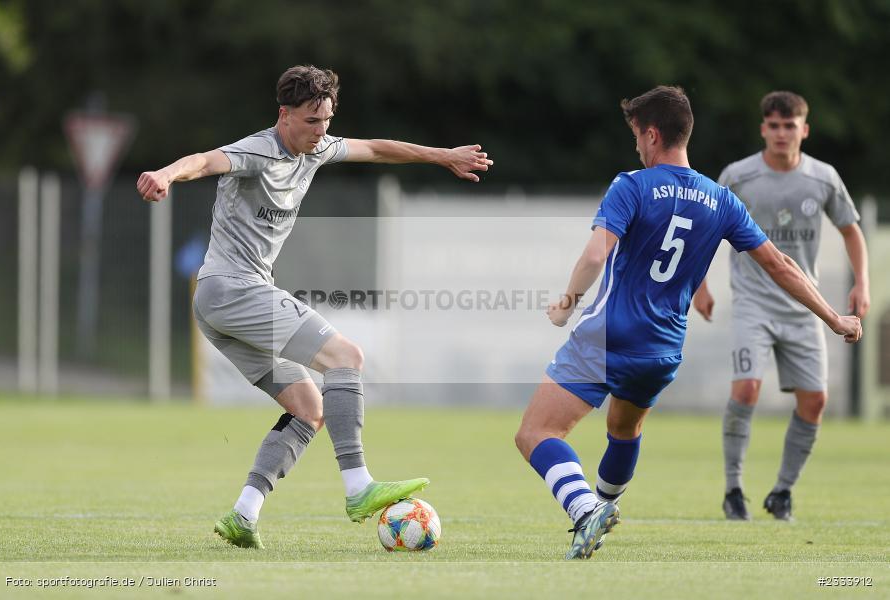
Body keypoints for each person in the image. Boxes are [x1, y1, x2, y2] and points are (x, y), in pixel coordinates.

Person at [136, 65, 493, 548]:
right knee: (347, 358)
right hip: (232, 289)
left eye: (326, 120)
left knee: (308, 409)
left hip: (221, 305)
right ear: (284, 115)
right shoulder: (258, 150)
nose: (321, 131)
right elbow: (203, 160)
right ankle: (359, 486)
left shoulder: (318, 148)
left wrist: (442, 156)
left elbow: (377, 149)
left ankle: (244, 513)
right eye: (311, 121)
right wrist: (166, 174)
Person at [514, 86, 861, 560]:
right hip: (663, 350)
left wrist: (566, 304)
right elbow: (780, 264)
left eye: (638, 136)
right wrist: (833, 316)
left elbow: (597, 253)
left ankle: (584, 509)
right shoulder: (721, 200)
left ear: (652, 135)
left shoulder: (632, 185)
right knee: (623, 429)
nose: (637, 146)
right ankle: (602, 510)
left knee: (535, 434)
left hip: (609, 335)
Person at [692, 91, 870, 521]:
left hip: (803, 307)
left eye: (789, 126)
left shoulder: (823, 179)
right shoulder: (738, 176)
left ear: (804, 130)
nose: (780, 133)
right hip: (753, 302)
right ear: (762, 130)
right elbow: (704, 230)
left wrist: (862, 281)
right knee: (746, 388)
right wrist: (699, 284)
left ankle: (782, 492)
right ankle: (734, 490)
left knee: (815, 403)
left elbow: (850, 231)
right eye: (773, 125)